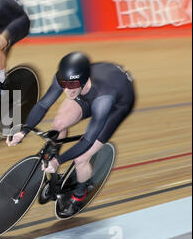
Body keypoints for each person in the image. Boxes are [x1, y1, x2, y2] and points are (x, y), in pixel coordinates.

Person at [7, 52, 135, 218]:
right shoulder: (69, 81)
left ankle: (79, 195)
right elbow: (43, 105)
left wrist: (57, 160)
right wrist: (23, 131)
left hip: (116, 105)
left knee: (81, 159)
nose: (67, 89)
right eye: (63, 83)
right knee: (59, 124)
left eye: (72, 84)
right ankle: (55, 179)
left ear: (84, 79)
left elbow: (88, 140)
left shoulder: (104, 99)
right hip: (91, 90)